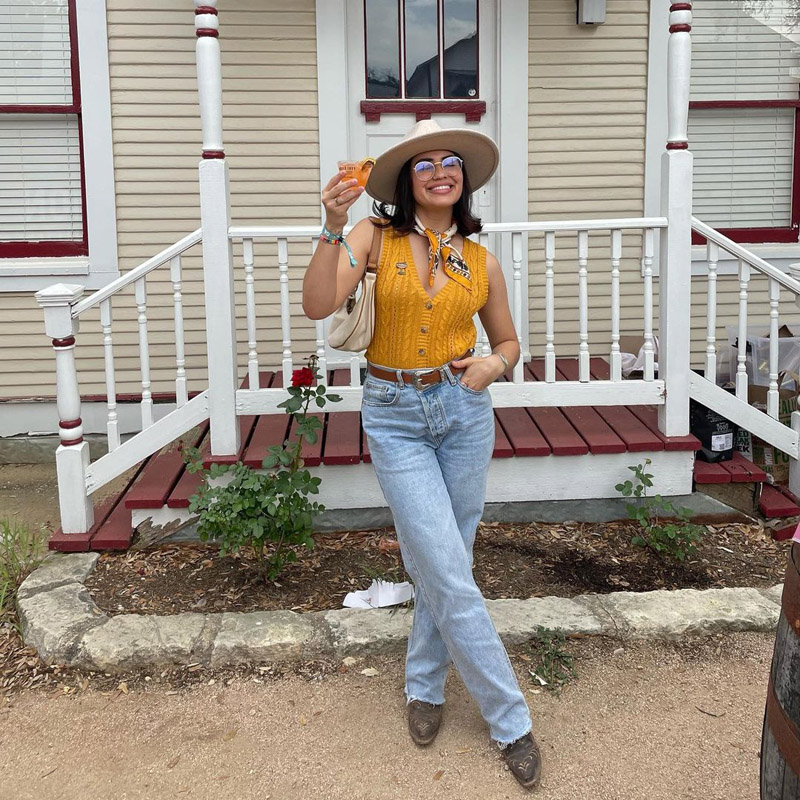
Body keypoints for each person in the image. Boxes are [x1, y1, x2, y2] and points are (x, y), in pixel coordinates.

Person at [301, 119, 541, 791]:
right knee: (446, 565)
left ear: (464, 179)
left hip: (463, 412)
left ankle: (425, 688)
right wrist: (331, 223)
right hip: (396, 414)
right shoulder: (374, 236)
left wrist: (494, 364)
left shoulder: (480, 260)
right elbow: (318, 302)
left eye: (450, 162)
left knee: (447, 560)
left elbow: (509, 342)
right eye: (424, 163)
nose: (440, 171)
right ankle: (511, 721)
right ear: (407, 180)